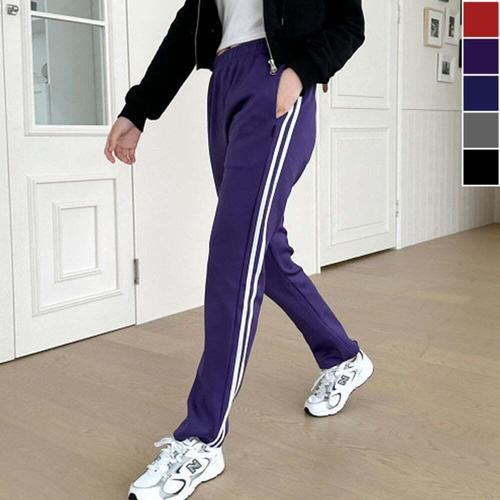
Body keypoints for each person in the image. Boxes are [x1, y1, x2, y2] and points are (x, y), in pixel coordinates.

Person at [104, 1, 373, 499]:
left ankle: (201, 437)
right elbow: (189, 26)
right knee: (261, 249)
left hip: (276, 77)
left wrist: (301, 71)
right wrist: (138, 108)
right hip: (224, 82)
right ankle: (342, 356)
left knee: (234, 252)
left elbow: (349, 22)